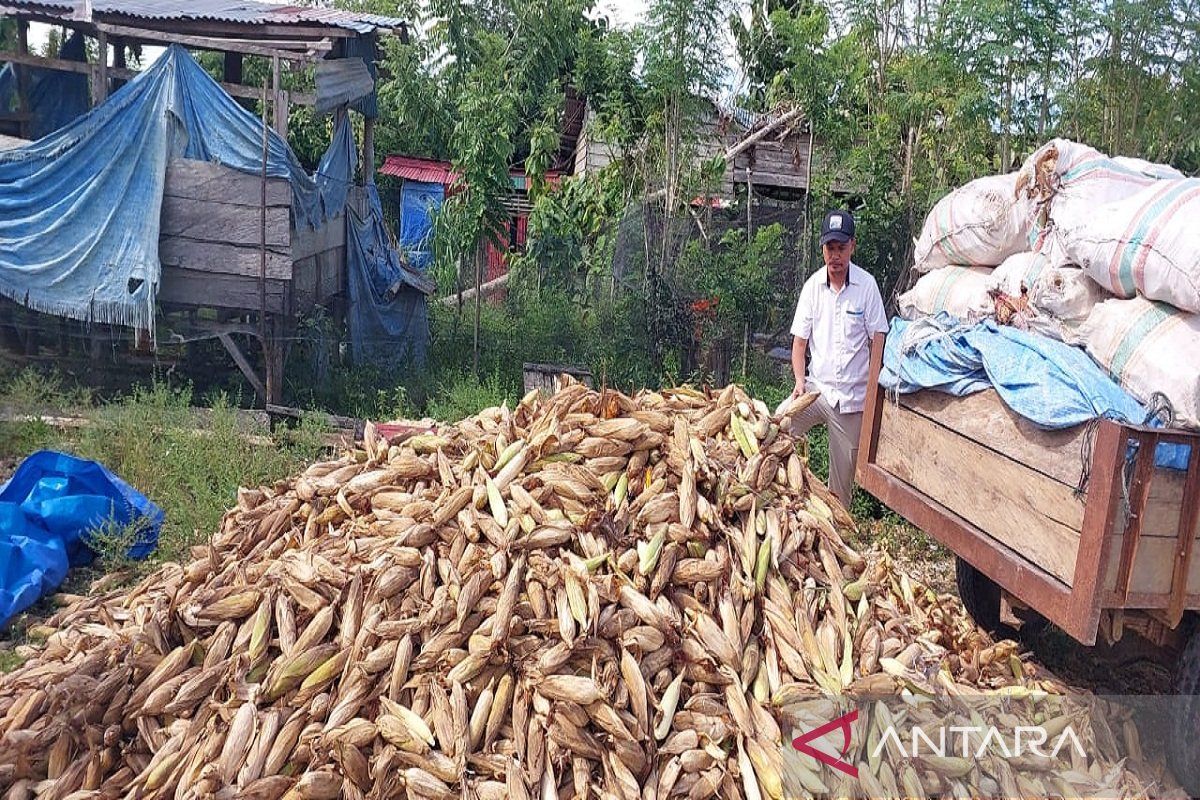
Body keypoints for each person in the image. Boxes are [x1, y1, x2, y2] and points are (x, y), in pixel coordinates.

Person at [780, 209, 889, 506]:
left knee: (841, 489)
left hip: (852, 400)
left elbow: (877, 341)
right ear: (823, 249)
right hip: (816, 391)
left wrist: (872, 393)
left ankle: (835, 537)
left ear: (852, 246)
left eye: (841, 248)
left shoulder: (866, 287)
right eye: (830, 248)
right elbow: (799, 345)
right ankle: (786, 501)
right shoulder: (813, 288)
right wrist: (800, 382)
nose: (835, 256)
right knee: (776, 428)